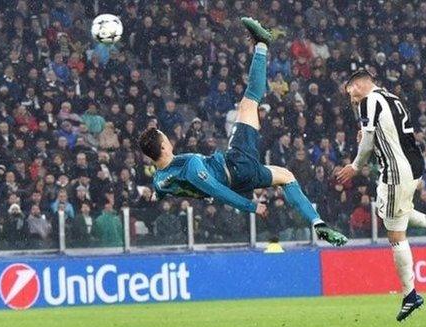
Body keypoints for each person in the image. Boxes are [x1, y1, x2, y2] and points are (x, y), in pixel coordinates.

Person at [138, 18, 347, 247]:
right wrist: (252, 207)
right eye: (165, 137)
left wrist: (151, 195)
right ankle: (262, 44)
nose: (169, 138)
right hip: (236, 165)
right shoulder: (190, 167)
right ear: (163, 147)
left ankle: (318, 223)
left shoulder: (159, 181)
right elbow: (216, 191)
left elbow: (161, 192)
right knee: (249, 102)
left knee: (286, 176)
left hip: (240, 179)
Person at [338, 69, 426, 322]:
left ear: (359, 84)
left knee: (395, 233)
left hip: (395, 171)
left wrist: (355, 166)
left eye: (351, 92)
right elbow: (392, 134)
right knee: (394, 212)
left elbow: (369, 142)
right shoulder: (391, 97)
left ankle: (410, 293)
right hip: (412, 167)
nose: (351, 98)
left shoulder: (369, 100)